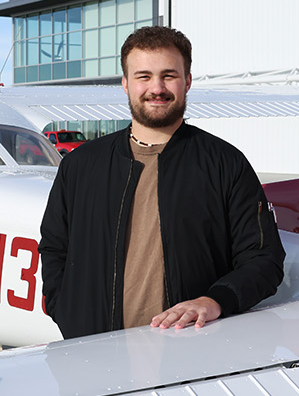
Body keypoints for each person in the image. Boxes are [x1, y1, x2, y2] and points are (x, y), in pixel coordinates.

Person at [38, 26, 286, 339]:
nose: (157, 87)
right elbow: (54, 247)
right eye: (143, 76)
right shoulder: (80, 165)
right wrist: (66, 310)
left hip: (190, 349)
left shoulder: (225, 164)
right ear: (126, 84)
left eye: (169, 75)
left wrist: (215, 301)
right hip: (93, 351)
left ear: (187, 82)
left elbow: (264, 259)